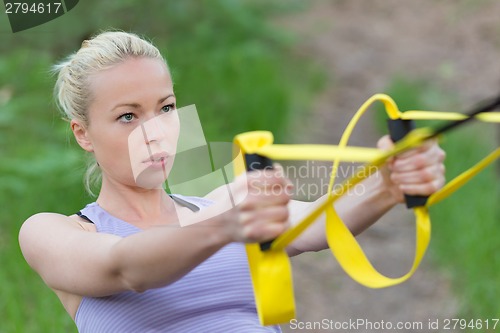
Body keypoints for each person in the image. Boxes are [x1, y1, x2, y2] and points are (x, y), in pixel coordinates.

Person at [19, 31, 445, 332]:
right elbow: (127, 267)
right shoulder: (51, 232)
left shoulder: (220, 203)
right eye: (127, 116)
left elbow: (320, 222)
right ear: (83, 134)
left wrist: (388, 183)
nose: (157, 131)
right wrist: (228, 226)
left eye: (165, 108)